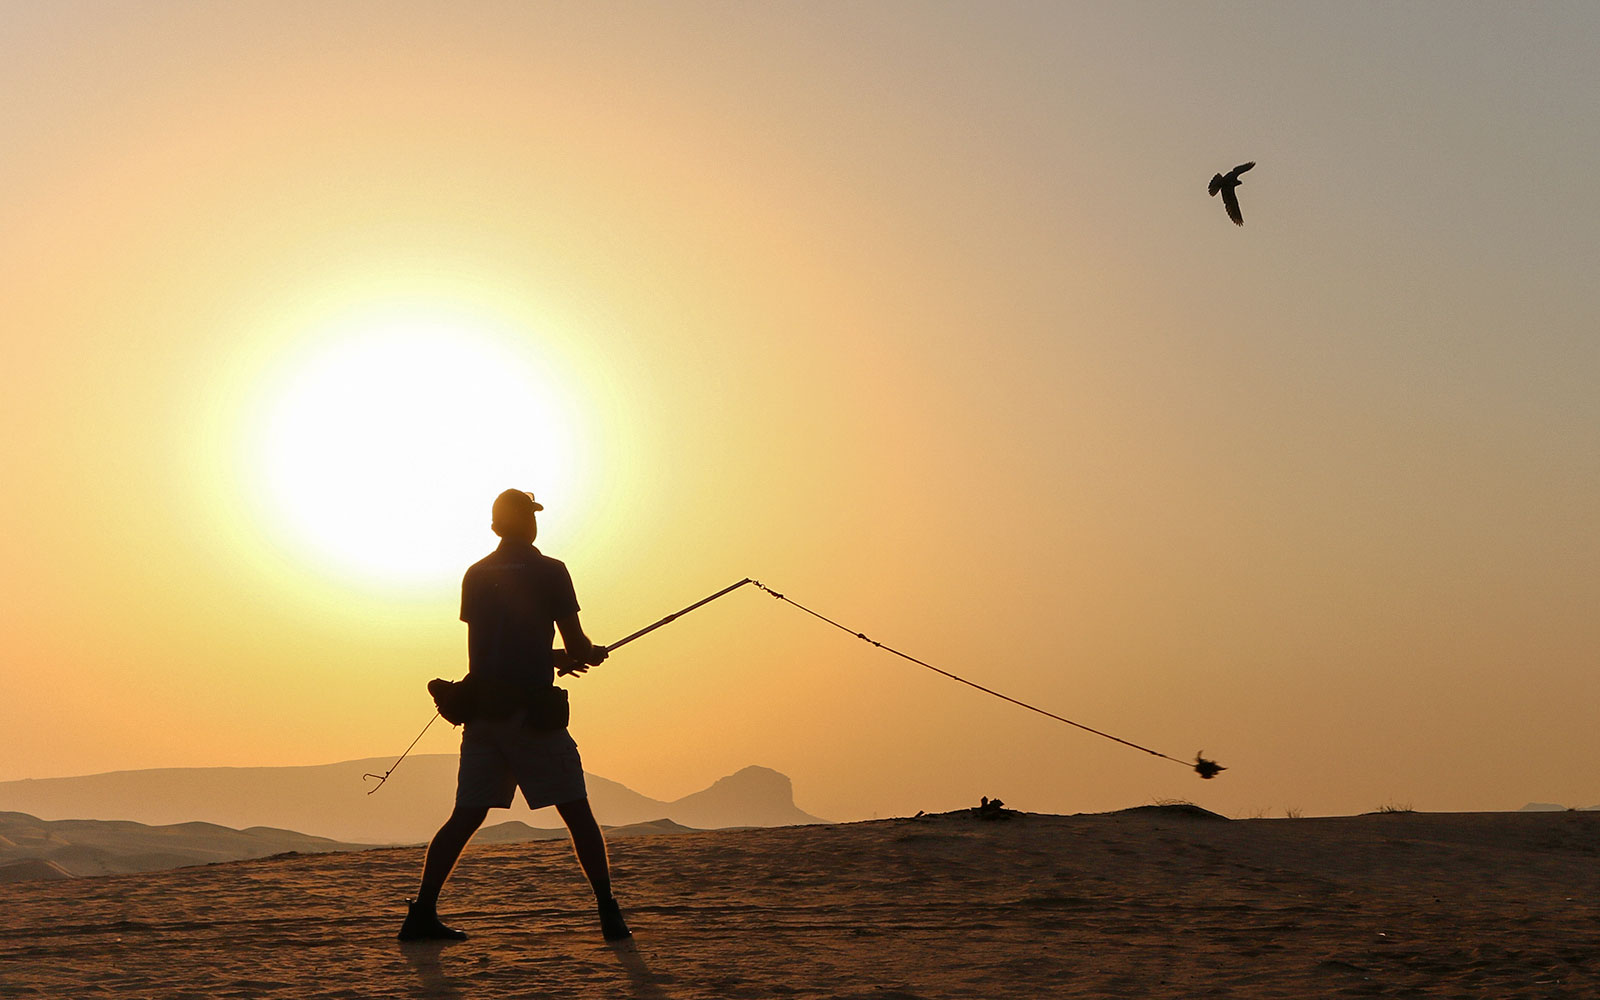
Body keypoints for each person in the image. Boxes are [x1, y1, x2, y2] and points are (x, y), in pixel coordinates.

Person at [399, 489, 631, 943]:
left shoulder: (476, 574)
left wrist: (556, 657)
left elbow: (494, 645)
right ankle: (609, 913)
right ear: (530, 524)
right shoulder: (551, 571)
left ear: (494, 527)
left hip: (483, 715)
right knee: (577, 813)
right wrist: (582, 654)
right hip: (531, 717)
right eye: (532, 515)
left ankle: (422, 913)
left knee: (464, 816)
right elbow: (575, 643)